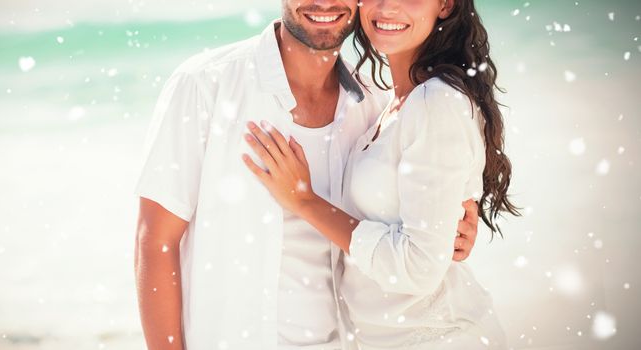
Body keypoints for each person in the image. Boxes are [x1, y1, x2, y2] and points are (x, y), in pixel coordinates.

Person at [134, 1, 480, 349]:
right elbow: (156, 240)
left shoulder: (377, 106)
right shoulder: (206, 85)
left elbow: (414, 232)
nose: (325, 2)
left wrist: (456, 222)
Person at [241, 0, 520, 348]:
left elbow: (418, 268)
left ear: (446, 5)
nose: (389, 7)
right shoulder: (388, 103)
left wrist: (304, 201)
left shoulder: (436, 102)